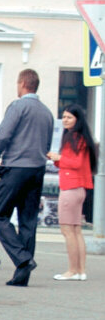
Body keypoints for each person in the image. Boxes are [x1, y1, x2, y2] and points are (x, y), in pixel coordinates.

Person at [0, 69, 54, 287]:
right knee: (28, 220)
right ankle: (22, 274)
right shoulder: (46, 112)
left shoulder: (18, 107)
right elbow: (47, 143)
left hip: (16, 167)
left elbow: (4, 134)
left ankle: (23, 258)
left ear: (23, 83)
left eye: (17, 83)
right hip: (37, 168)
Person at [47, 104, 96, 281]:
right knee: (76, 231)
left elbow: (74, 163)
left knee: (67, 230)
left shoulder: (73, 138)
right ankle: (81, 271)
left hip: (70, 188)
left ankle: (72, 270)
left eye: (69, 117)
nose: (65, 120)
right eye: (64, 117)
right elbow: (79, 163)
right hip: (79, 188)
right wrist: (59, 160)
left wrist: (58, 157)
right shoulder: (83, 138)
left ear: (77, 119)